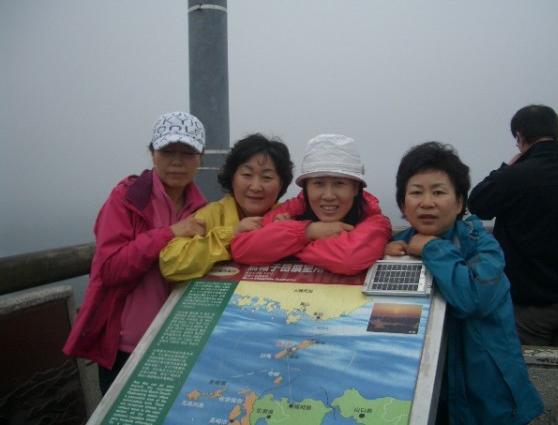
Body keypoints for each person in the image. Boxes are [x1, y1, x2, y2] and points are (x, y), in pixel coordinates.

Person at [385, 142, 543, 424]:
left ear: (459, 202)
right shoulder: (396, 247)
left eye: (438, 192)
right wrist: (389, 256)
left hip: (487, 403)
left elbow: (474, 298)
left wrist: (433, 248)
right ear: (402, 203)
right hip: (425, 397)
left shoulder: (482, 245)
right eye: (416, 192)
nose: (427, 202)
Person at [63, 111, 209, 395]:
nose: (177, 161)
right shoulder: (127, 198)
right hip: (126, 348)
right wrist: (169, 234)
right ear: (152, 153)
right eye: (167, 151)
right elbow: (110, 268)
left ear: (200, 159)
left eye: (187, 153)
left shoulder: (204, 210)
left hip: (179, 345)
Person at [468, 105, 558, 348]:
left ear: (520, 136)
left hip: (525, 306)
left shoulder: (511, 178)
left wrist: (506, 168)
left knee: (527, 369)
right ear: (555, 131)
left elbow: (477, 204)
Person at [231, 133, 392, 275]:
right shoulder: (293, 209)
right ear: (306, 188)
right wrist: (308, 231)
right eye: (319, 183)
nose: (328, 196)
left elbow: (349, 260)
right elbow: (241, 249)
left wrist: (288, 241)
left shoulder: (374, 220)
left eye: (339, 184)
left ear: (356, 188)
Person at [159, 133, 294, 281]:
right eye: (247, 174)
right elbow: (170, 265)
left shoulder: (291, 218)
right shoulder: (209, 216)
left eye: (267, 177)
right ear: (232, 177)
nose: (256, 186)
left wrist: (289, 235)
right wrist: (231, 234)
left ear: (281, 183)